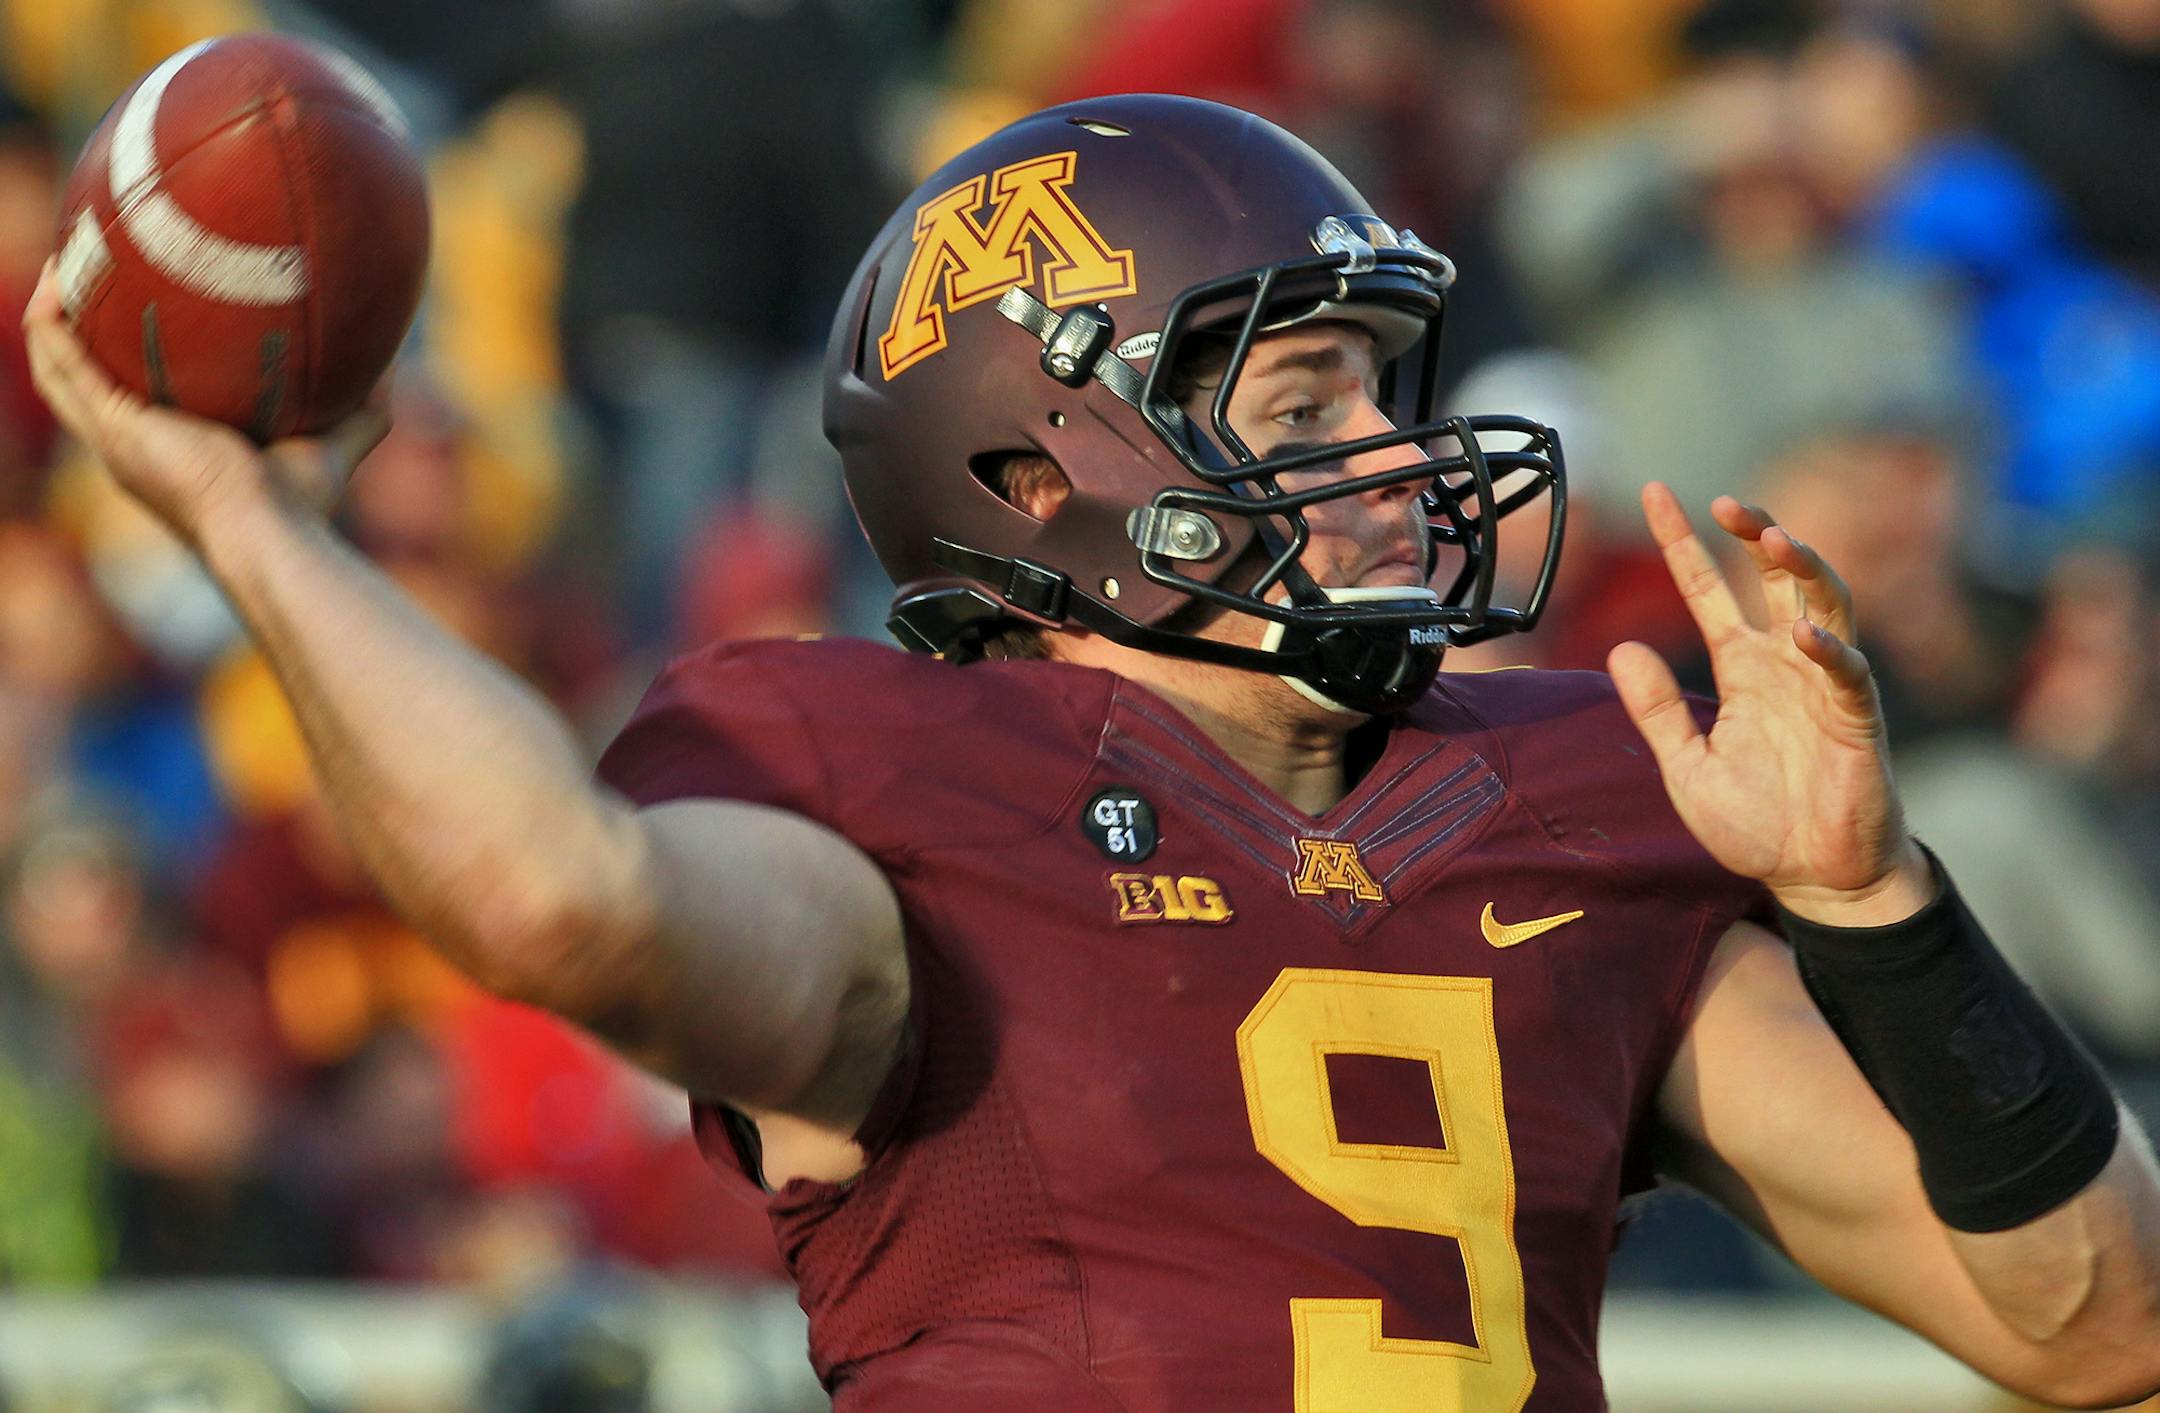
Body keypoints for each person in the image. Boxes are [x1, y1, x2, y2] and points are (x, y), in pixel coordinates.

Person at [25, 93, 2160, 1410]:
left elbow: (2093, 1324)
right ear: (1044, 471)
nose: (1395, 461)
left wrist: (1878, 903)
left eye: (1381, 396)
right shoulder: (880, 778)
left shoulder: (1581, 799)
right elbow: (549, 895)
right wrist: (249, 527)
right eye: (1306, 406)